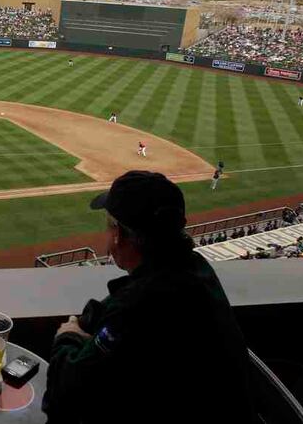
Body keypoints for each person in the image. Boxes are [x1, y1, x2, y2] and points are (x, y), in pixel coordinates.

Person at [43, 171, 255, 424]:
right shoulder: (195, 269)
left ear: (119, 235)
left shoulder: (142, 304)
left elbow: (65, 390)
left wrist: (68, 336)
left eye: (109, 225)